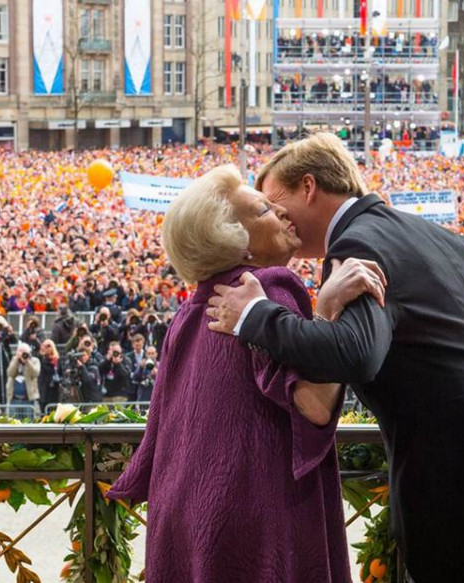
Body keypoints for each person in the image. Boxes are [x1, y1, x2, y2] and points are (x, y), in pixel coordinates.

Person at [206, 133, 464, 582]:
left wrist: (256, 316)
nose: (275, 216)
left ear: (308, 187)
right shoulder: (438, 235)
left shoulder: (357, 246)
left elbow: (357, 353)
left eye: (275, 202)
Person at [108, 164, 384, 581]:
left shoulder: (188, 311)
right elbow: (314, 405)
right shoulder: (268, 288)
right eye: (264, 211)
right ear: (240, 247)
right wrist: (328, 310)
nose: (282, 212)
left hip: (180, 515)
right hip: (250, 517)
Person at [6, 342, 42, 417]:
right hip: (14, 399)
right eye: (20, 351)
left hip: (28, 399)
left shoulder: (35, 360)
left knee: (28, 422)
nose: (23, 354)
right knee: (14, 421)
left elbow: (35, 373)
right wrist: (16, 360)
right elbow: (10, 373)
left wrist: (27, 362)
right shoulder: (14, 360)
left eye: (24, 352)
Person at [38, 339, 62, 408]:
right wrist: (42, 355)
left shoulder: (57, 360)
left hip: (55, 390)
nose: (47, 348)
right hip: (44, 389)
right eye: (45, 346)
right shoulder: (40, 359)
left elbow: (61, 372)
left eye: (49, 346)